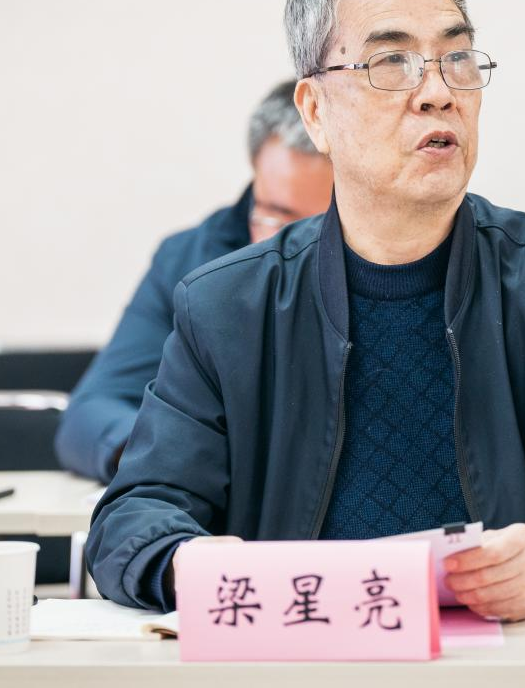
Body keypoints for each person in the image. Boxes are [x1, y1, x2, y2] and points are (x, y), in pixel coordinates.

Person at [86, 0, 525, 620]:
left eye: (457, 58)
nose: (438, 92)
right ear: (315, 111)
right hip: (296, 654)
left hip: (503, 657)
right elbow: (135, 513)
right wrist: (185, 561)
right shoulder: (227, 307)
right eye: (392, 63)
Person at [54, 80, 333, 482]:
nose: (299, 244)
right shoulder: (189, 261)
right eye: (275, 216)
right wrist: (170, 460)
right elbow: (91, 414)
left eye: (324, 224)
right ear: (255, 175)